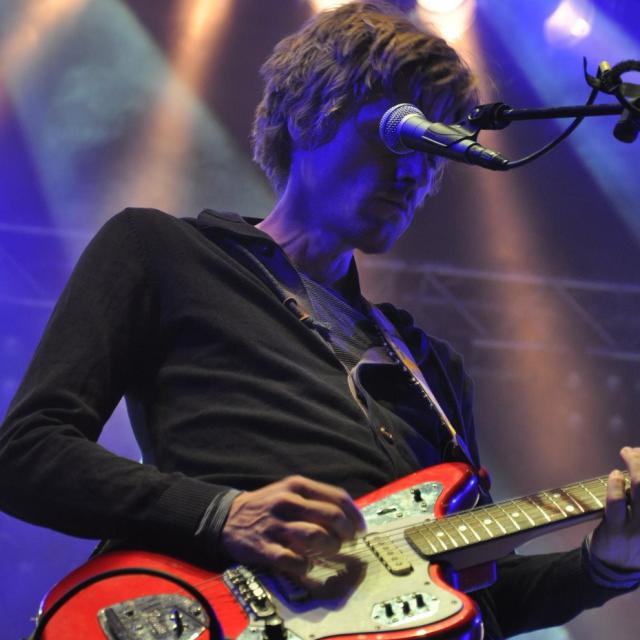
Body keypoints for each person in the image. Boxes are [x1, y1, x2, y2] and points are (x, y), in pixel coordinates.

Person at [0, 2, 639, 638]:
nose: (415, 170)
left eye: (435, 150)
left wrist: (607, 564)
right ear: (310, 116)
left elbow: (480, 597)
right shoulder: (162, 252)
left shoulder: (431, 366)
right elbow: (25, 452)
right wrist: (221, 513)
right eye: (400, 133)